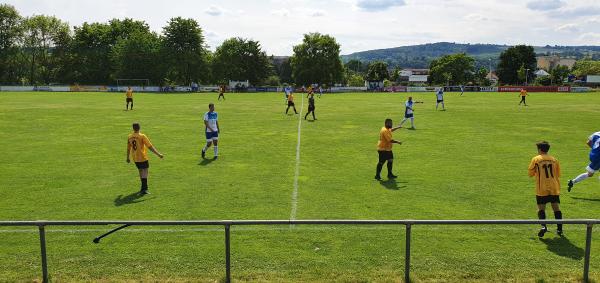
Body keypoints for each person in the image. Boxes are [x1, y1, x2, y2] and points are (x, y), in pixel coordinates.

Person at [528, 141, 563, 237]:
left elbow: (530, 174)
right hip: (554, 187)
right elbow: (558, 174)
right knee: (556, 207)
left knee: (541, 208)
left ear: (539, 149)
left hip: (542, 188)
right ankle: (560, 230)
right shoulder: (554, 160)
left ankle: (543, 226)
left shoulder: (536, 159)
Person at [126, 122, 164, 195]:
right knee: (145, 171)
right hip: (142, 157)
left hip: (135, 157)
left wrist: (127, 158)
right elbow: (150, 146)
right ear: (139, 127)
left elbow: (128, 148)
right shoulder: (142, 136)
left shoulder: (129, 136)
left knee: (140, 171)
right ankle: (144, 189)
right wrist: (158, 154)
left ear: (133, 128)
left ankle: (143, 188)